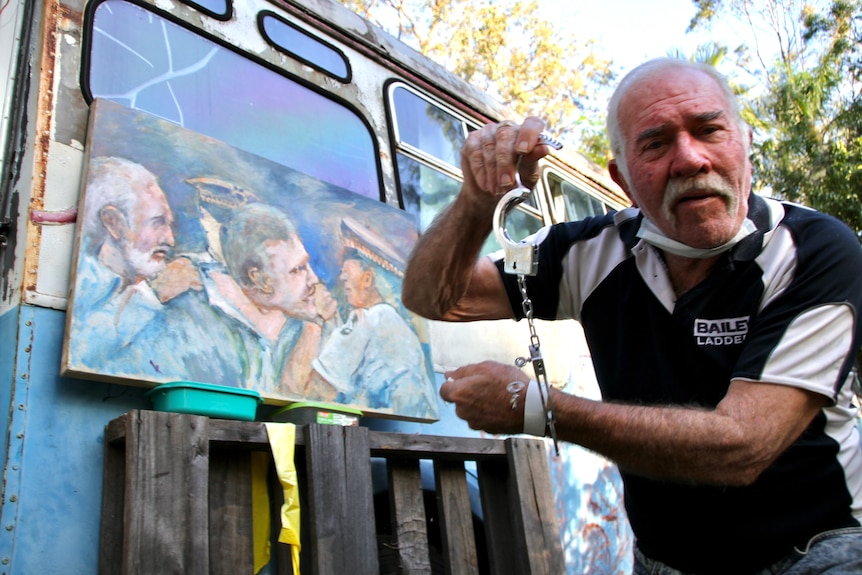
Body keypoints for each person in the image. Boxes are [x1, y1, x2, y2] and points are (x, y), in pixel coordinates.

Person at [402, 58, 862, 575]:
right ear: (622, 177)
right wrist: (476, 202)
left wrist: (536, 407)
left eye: (709, 130)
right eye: (656, 143)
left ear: (744, 143)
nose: (690, 159)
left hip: (817, 550)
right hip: (665, 561)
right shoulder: (589, 253)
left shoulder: (813, 250)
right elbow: (434, 298)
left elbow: (743, 447)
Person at [173, 202, 340, 396]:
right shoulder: (197, 318)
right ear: (259, 279)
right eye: (297, 270)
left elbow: (312, 403)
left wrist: (314, 325)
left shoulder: (309, 316)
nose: (314, 280)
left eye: (306, 264)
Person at [70, 156, 202, 371]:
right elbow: (83, 354)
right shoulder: (83, 286)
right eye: (157, 223)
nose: (170, 239)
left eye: (169, 224)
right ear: (113, 223)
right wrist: (152, 295)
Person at [311, 217, 437, 419]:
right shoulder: (390, 319)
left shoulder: (367, 319)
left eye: (346, 273)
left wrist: (316, 321)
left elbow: (317, 389)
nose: (341, 279)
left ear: (368, 279)